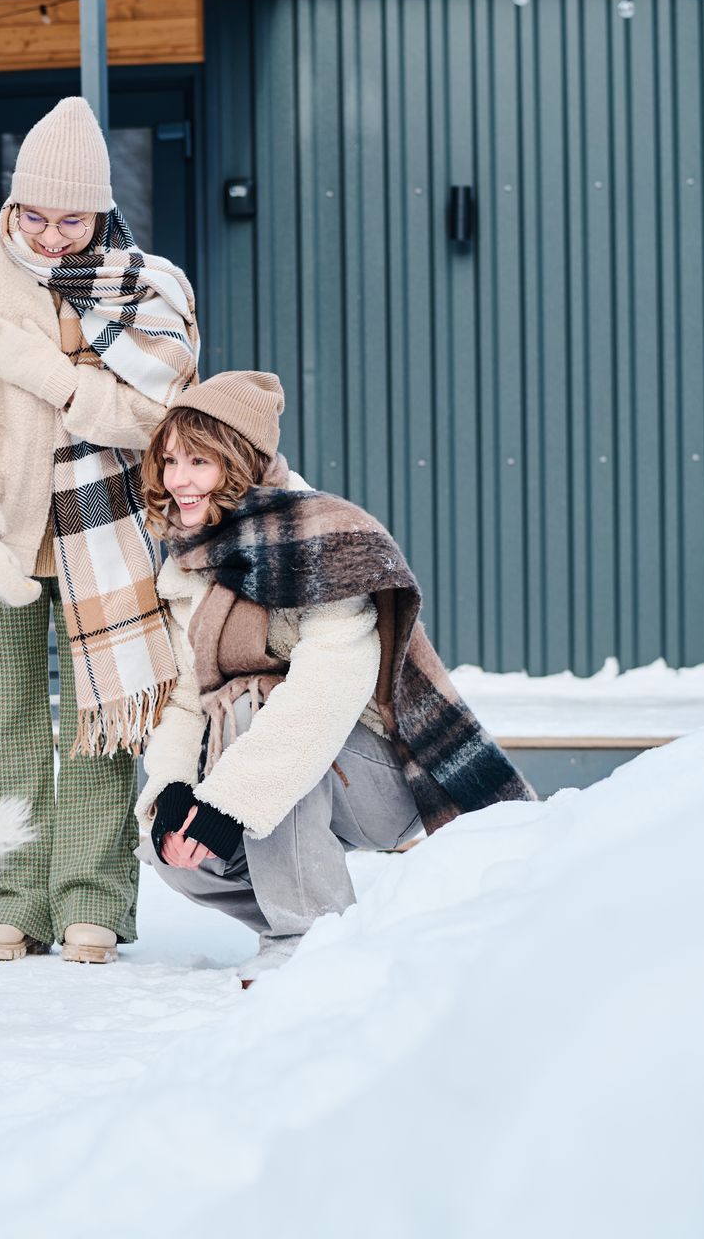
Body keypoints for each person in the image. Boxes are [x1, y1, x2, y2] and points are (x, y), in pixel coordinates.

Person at [0, 97, 198, 965]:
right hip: (5, 541)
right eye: (33, 215)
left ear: (102, 210)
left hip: (109, 545)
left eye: (71, 218)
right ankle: (8, 898)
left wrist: (51, 378)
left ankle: (91, 899)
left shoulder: (151, 287)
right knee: (7, 723)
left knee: (100, 721)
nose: (50, 235)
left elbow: (162, 418)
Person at [134, 371, 537, 985]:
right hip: (275, 775)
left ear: (241, 462)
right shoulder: (192, 559)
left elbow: (327, 689)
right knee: (175, 850)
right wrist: (173, 788)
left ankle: (310, 933)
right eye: (168, 462)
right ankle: (317, 923)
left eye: (198, 461)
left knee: (257, 707)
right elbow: (186, 697)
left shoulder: (322, 536)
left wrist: (229, 801)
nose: (177, 481)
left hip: (381, 772)